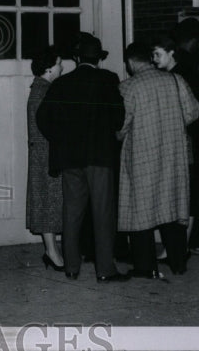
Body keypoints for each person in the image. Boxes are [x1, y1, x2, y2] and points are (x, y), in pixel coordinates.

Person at [36, 32, 129, 283]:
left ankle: (71, 266)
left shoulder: (62, 83)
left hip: (70, 158)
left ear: (77, 58)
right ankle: (105, 270)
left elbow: (43, 118)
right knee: (103, 212)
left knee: (72, 211)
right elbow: (119, 118)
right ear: (98, 59)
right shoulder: (109, 80)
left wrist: (61, 140)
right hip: (100, 157)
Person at [118, 42, 199, 279]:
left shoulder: (128, 87)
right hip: (173, 154)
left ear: (131, 62)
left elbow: (121, 126)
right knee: (172, 207)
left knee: (140, 209)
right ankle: (178, 262)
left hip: (141, 155)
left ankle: (146, 267)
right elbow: (193, 112)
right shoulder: (175, 80)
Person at [153, 30, 199, 252]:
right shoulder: (185, 71)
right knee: (198, 191)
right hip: (198, 141)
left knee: (198, 191)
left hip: (195, 142)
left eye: (157, 54)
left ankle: (198, 241)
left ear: (173, 53)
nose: (154, 60)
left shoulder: (181, 74)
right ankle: (196, 240)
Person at [26, 46, 65, 271]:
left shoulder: (39, 89)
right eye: (59, 63)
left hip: (42, 153)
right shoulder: (44, 91)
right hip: (46, 154)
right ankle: (52, 252)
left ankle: (52, 250)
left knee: (47, 202)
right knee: (48, 203)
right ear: (50, 68)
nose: (62, 67)